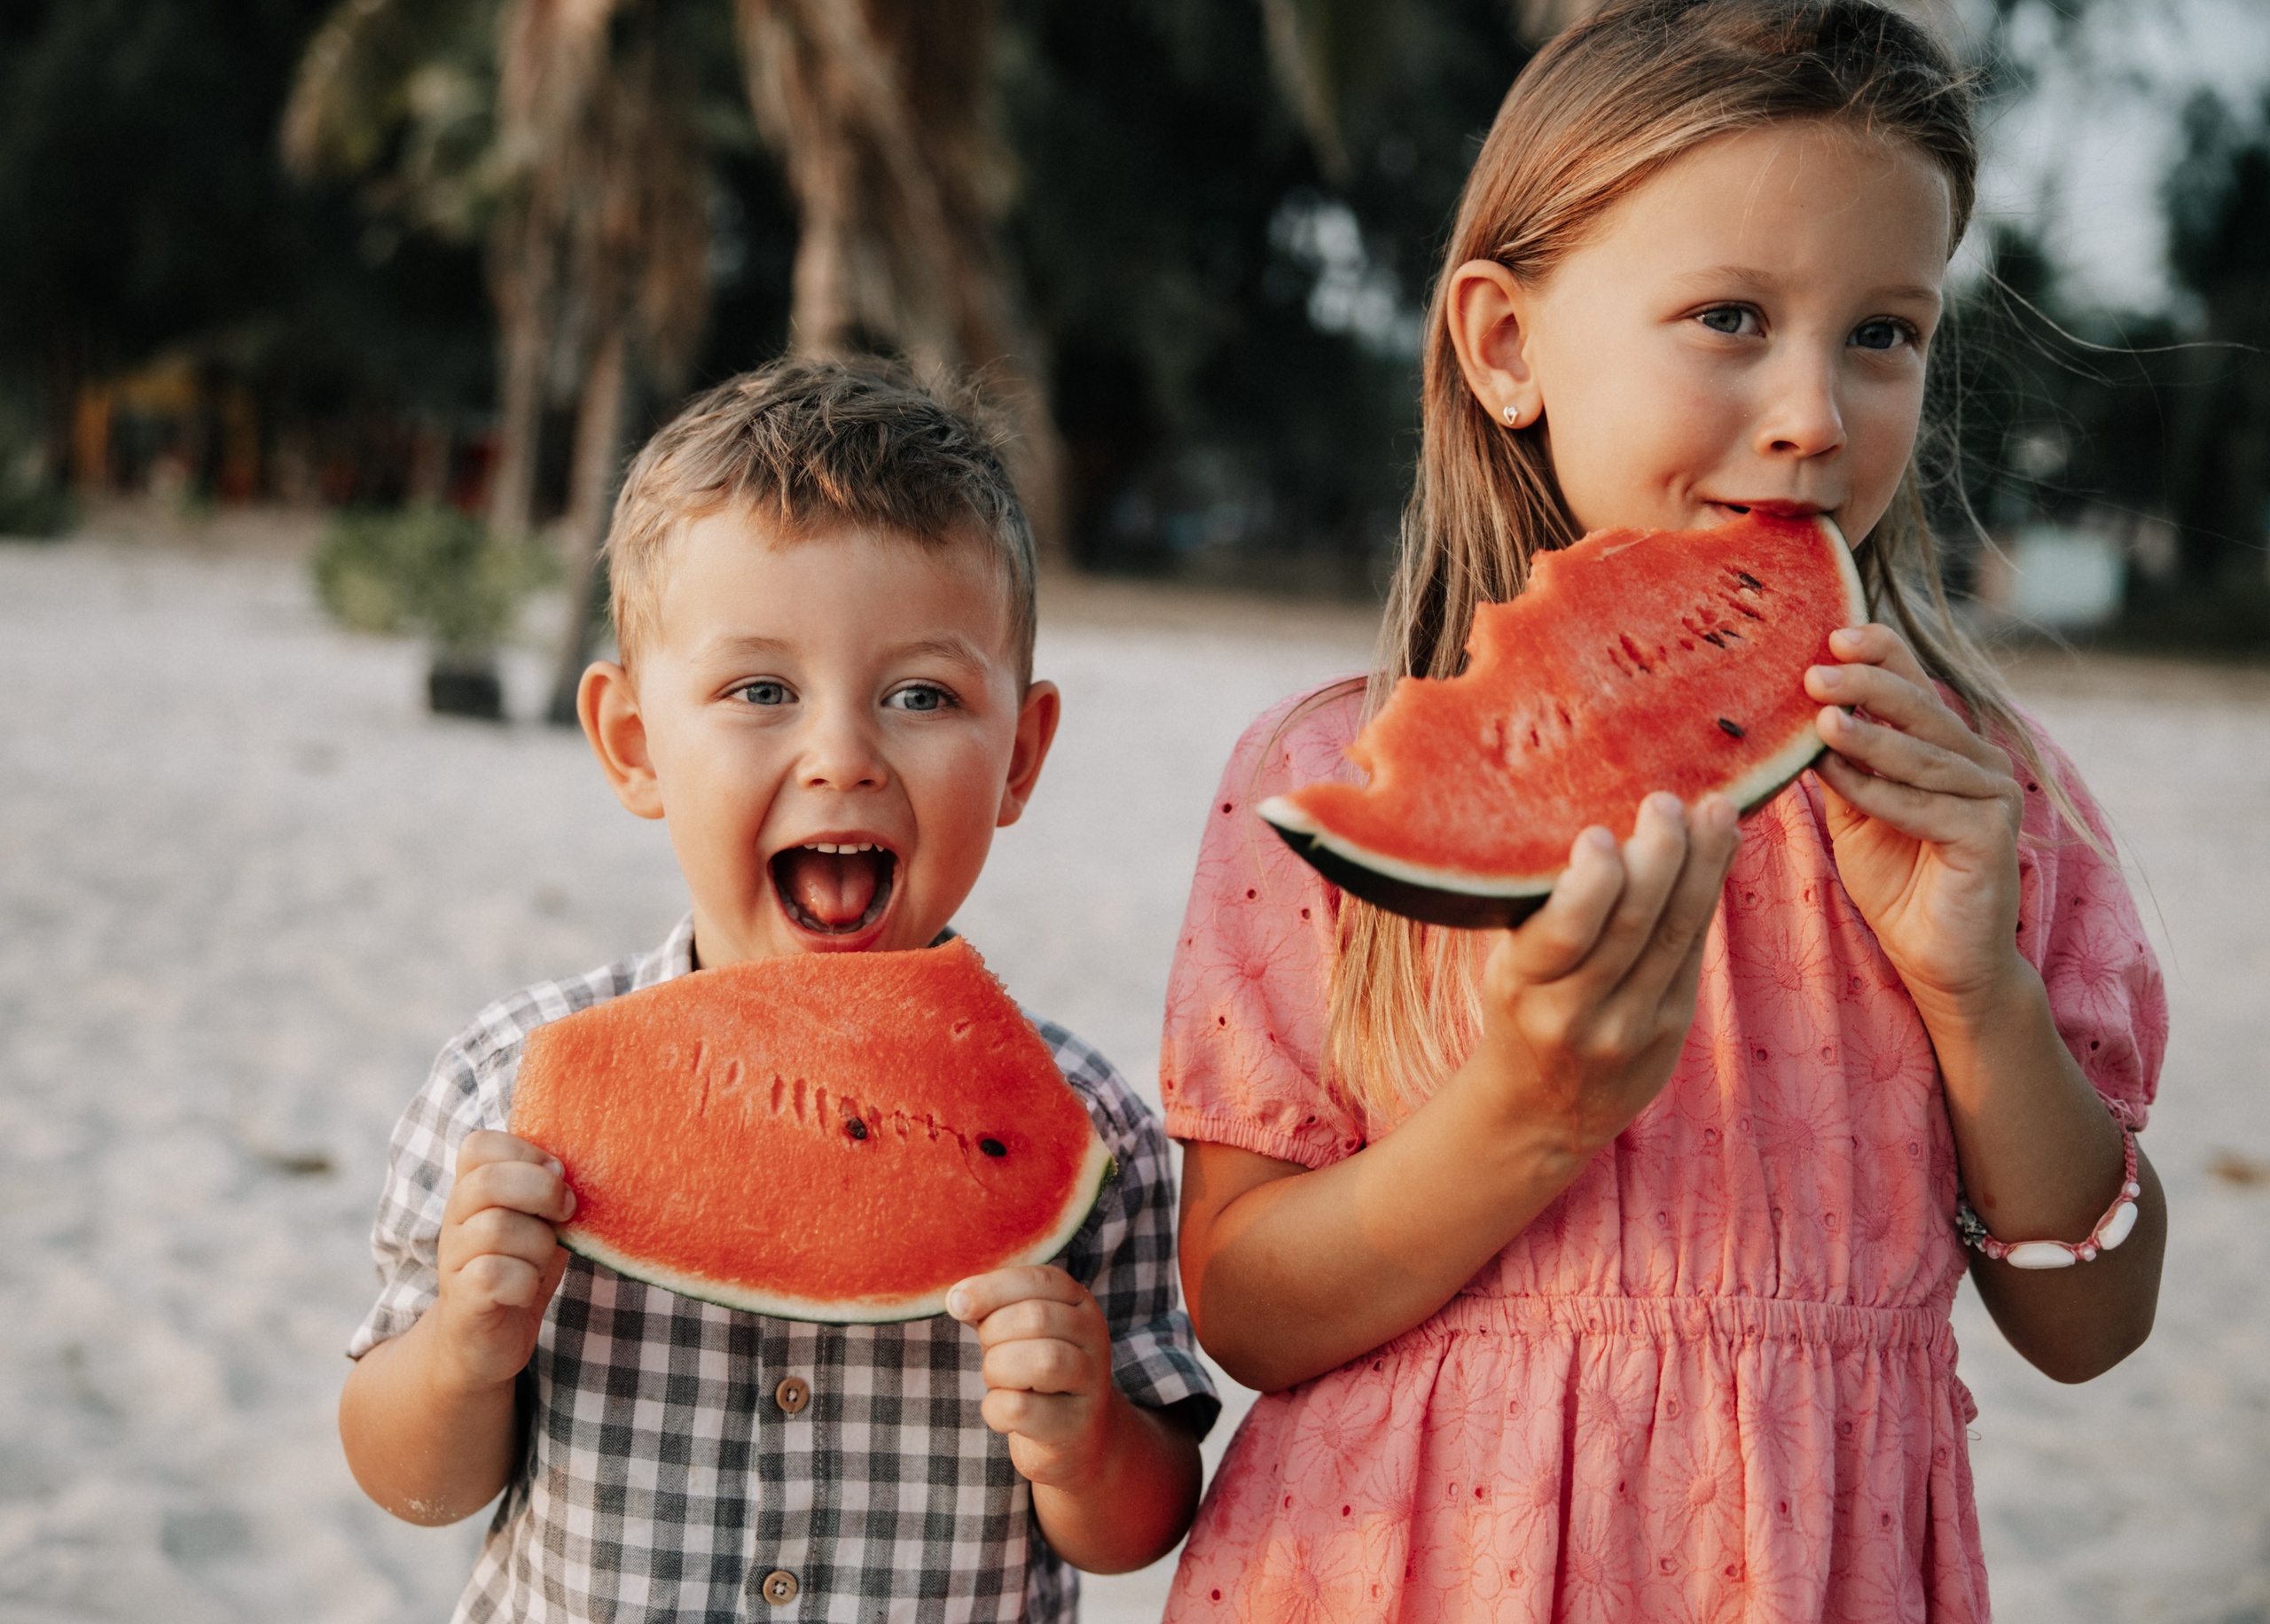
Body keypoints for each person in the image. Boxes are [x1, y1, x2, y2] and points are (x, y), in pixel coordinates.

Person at [1161, 3, 2167, 1618]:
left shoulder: (1987, 798)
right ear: (1505, 347)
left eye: (1884, 332)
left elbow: (2093, 1324)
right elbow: (1241, 1304)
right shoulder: (1327, 779)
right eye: (1727, 316)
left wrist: (1979, 1000)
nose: (1816, 416)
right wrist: (1530, 1115)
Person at [340, 360, 1217, 1622]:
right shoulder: (510, 1087)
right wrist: (464, 1356)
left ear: (1020, 757)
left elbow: (1139, 1524)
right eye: (761, 691)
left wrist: (1090, 1446)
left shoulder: (1090, 1132)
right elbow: (408, 1480)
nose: (843, 758)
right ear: (633, 743)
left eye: (922, 695)